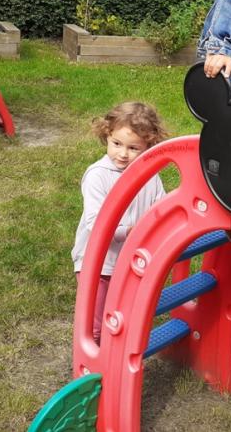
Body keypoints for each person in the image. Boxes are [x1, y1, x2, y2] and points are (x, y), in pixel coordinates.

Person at [71, 102, 168, 344]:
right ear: (107, 135)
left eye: (133, 148)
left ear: (148, 146)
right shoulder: (98, 175)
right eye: (117, 144)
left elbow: (161, 209)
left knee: (121, 317)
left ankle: (117, 355)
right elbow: (96, 223)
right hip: (98, 263)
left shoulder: (150, 176)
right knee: (95, 322)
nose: (123, 154)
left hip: (129, 262)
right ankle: (91, 358)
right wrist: (130, 231)